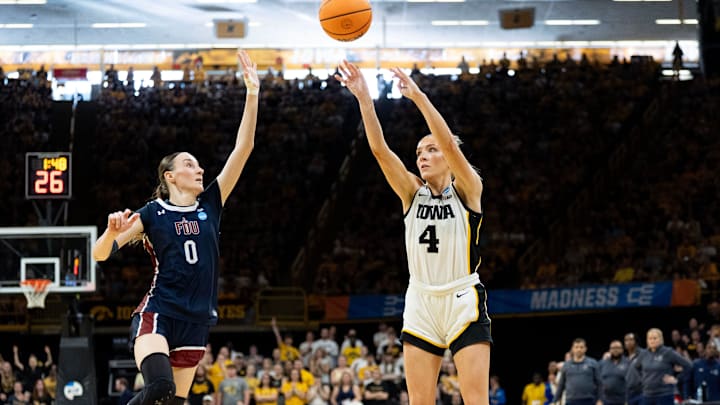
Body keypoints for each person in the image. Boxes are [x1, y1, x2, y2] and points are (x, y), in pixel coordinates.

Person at [91, 50, 260, 405]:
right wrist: (110, 230)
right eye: (189, 164)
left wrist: (253, 93)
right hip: (160, 312)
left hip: (197, 319)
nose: (199, 169)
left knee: (173, 403)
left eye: (199, 166)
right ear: (170, 176)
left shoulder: (211, 204)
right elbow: (100, 254)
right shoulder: (152, 213)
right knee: (159, 388)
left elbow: (242, 149)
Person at [335, 60, 491, 405]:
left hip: (462, 298)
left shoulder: (468, 189)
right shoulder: (411, 192)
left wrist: (418, 96)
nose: (423, 156)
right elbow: (379, 150)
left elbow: (450, 145)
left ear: (449, 159)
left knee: (476, 400)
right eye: (419, 151)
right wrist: (364, 98)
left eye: (431, 150)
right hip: (420, 299)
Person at [634, 328, 692, 405]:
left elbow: (688, 365)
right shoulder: (643, 354)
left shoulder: (668, 352)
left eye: (655, 338)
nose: (652, 341)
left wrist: (677, 379)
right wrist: (642, 380)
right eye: (650, 338)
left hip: (664, 394)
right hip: (647, 395)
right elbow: (636, 367)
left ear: (661, 339)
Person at [553, 338, 601, 405]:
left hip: (589, 400)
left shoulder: (593, 363)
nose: (579, 349)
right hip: (571, 401)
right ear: (572, 349)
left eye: (581, 347)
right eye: (576, 347)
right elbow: (561, 385)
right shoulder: (566, 365)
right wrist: (554, 401)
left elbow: (599, 383)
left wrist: (600, 400)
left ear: (585, 349)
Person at [598, 340, 629, 405]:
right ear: (610, 350)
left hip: (622, 401)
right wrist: (599, 399)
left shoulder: (628, 363)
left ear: (622, 350)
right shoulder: (602, 363)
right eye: (613, 348)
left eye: (618, 348)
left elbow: (631, 383)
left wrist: (627, 400)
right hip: (605, 400)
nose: (615, 350)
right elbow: (598, 382)